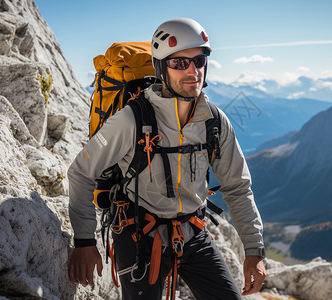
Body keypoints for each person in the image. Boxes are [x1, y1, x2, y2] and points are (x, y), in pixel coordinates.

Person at [67, 18, 266, 299]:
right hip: (138, 235)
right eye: (179, 63)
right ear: (161, 67)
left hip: (193, 234)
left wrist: (254, 252)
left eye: (199, 60)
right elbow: (81, 172)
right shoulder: (132, 119)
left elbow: (237, 186)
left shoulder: (215, 122)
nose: (193, 71)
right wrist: (84, 242)